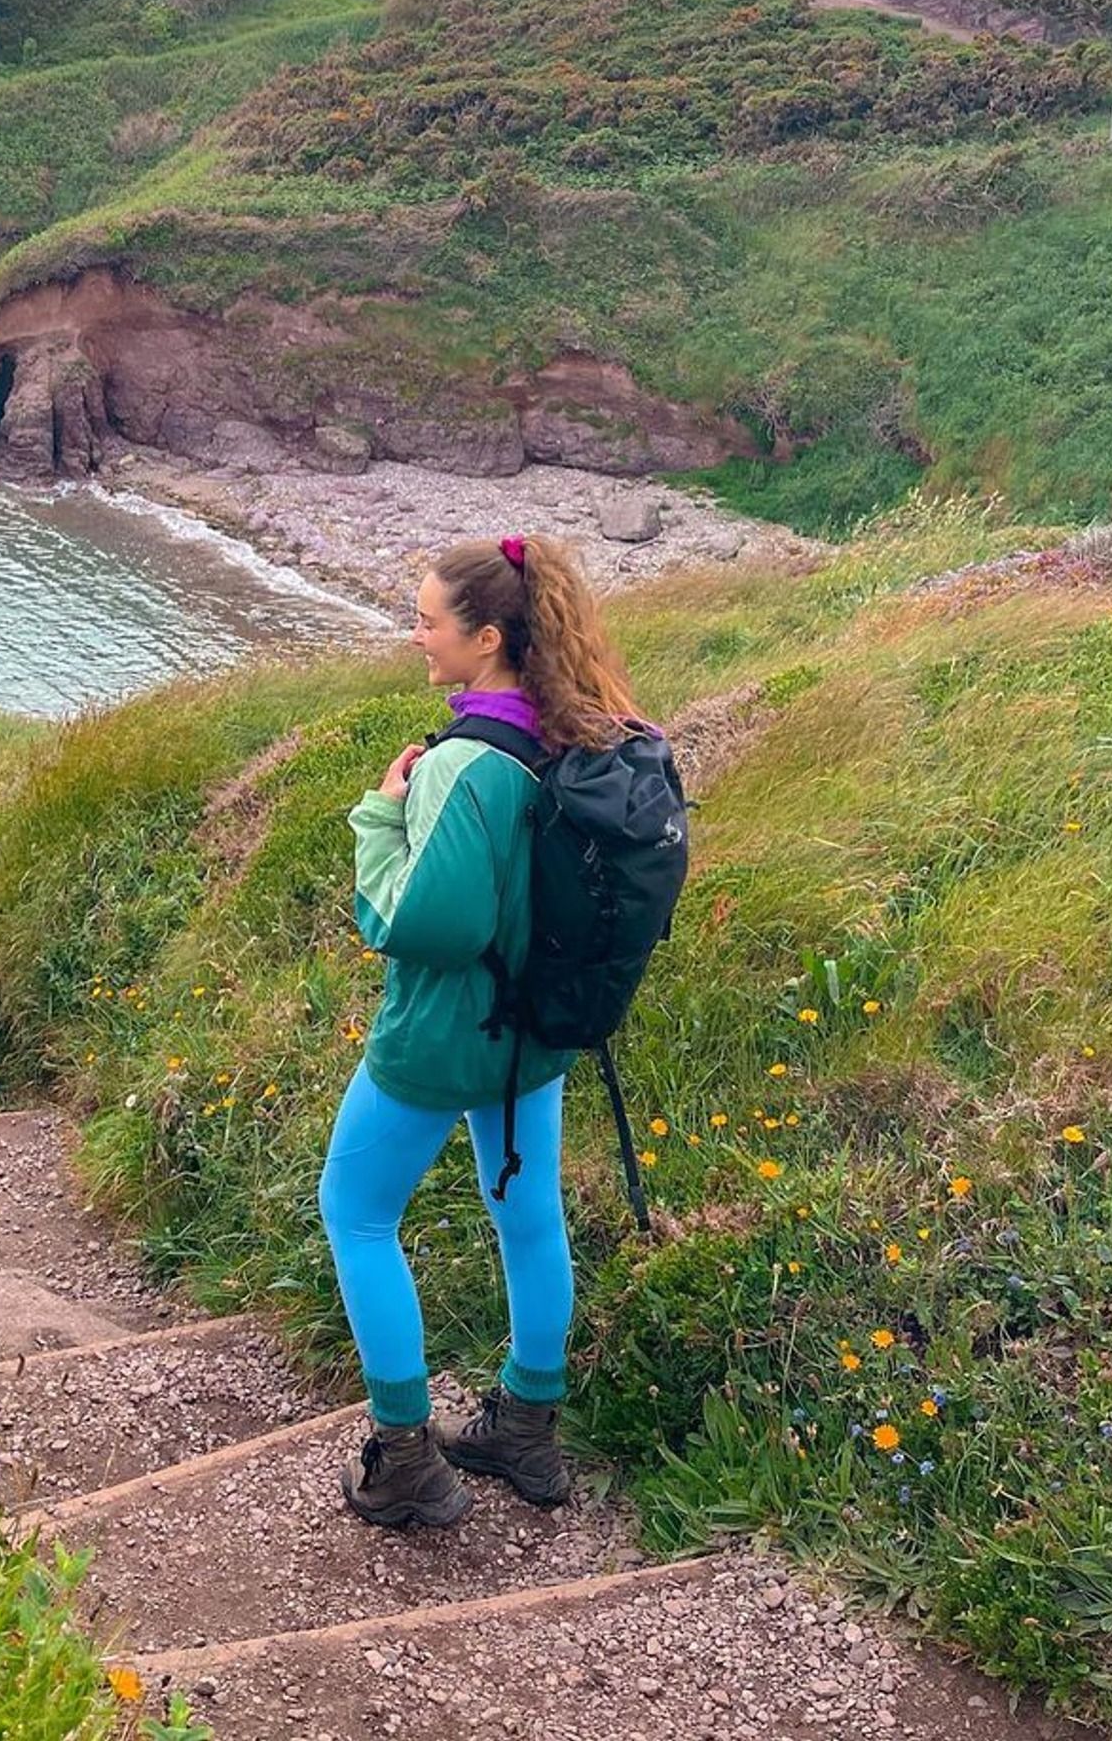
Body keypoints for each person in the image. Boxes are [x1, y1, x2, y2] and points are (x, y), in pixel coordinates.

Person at [318, 531, 645, 1530]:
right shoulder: (571, 731)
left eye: (426, 619)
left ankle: (407, 1457)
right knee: (525, 1214)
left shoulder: (465, 764)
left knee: (356, 1208)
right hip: (529, 1037)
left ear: (487, 636)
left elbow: (423, 923)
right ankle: (525, 1427)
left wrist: (379, 818)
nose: (414, 635)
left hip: (442, 1036)